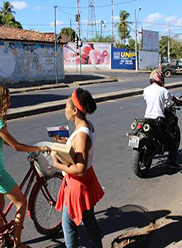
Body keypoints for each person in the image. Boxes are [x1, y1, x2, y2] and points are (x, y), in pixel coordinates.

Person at [0, 84, 49, 248]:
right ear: (0, 101)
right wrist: (38, 148)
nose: (9, 104)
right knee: (21, 203)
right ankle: (17, 244)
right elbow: (16, 146)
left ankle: (1, 238)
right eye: (7, 100)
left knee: (0, 207)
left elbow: (6, 142)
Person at [51, 88, 104, 248]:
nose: (64, 110)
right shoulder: (87, 125)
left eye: (66, 107)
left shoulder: (82, 135)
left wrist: (57, 164)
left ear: (74, 110)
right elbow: (78, 148)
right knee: (89, 222)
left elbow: (80, 169)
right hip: (87, 182)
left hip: (78, 185)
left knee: (68, 226)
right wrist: (66, 142)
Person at [143, 69, 182, 169]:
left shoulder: (145, 90)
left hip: (147, 119)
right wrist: (179, 102)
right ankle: (173, 162)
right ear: (160, 78)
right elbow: (173, 98)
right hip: (158, 120)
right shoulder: (163, 90)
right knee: (173, 136)